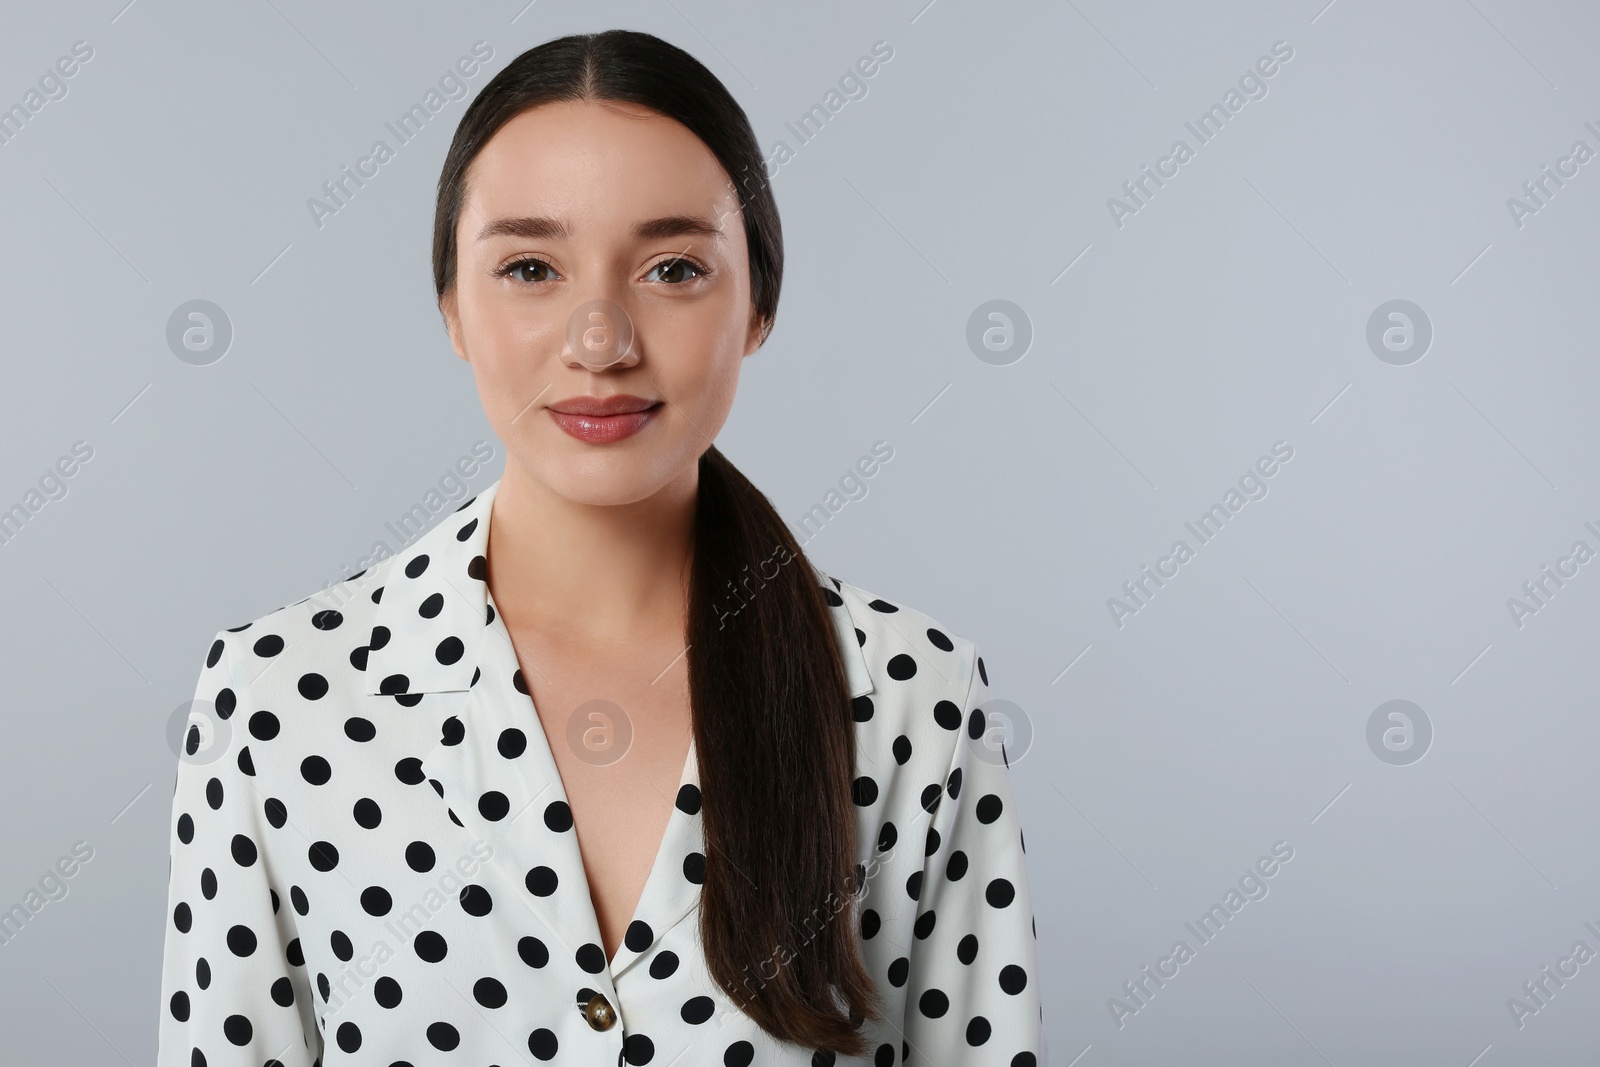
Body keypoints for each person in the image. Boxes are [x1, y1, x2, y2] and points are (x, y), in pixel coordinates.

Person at [157, 28, 1043, 1065]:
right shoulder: (278, 694)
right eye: (530, 266)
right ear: (451, 304)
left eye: (672, 268)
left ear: (757, 304)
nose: (599, 340)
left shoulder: (910, 695)